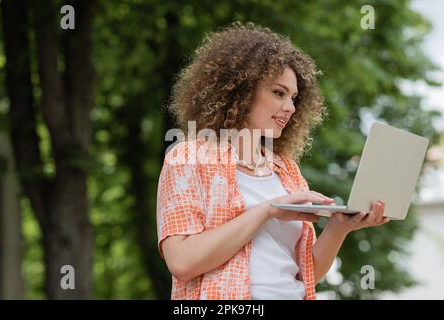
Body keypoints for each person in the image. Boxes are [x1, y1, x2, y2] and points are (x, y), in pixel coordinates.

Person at [156, 22, 389, 300]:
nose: (290, 107)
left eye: (293, 97)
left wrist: (340, 227)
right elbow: (182, 262)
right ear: (240, 90)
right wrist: (267, 210)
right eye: (278, 93)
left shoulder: (286, 170)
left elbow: (306, 272)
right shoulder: (188, 158)